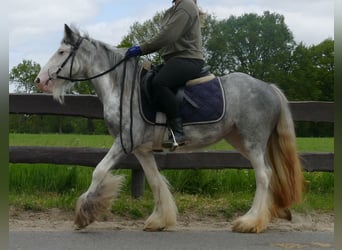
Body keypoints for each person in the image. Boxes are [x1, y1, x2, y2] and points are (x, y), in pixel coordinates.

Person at [126, 0, 205, 148]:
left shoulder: (187, 5)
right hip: (173, 60)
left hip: (188, 59)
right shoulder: (172, 11)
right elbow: (163, 35)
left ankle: (179, 132)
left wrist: (142, 49)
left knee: (160, 82)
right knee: (147, 81)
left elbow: (167, 36)